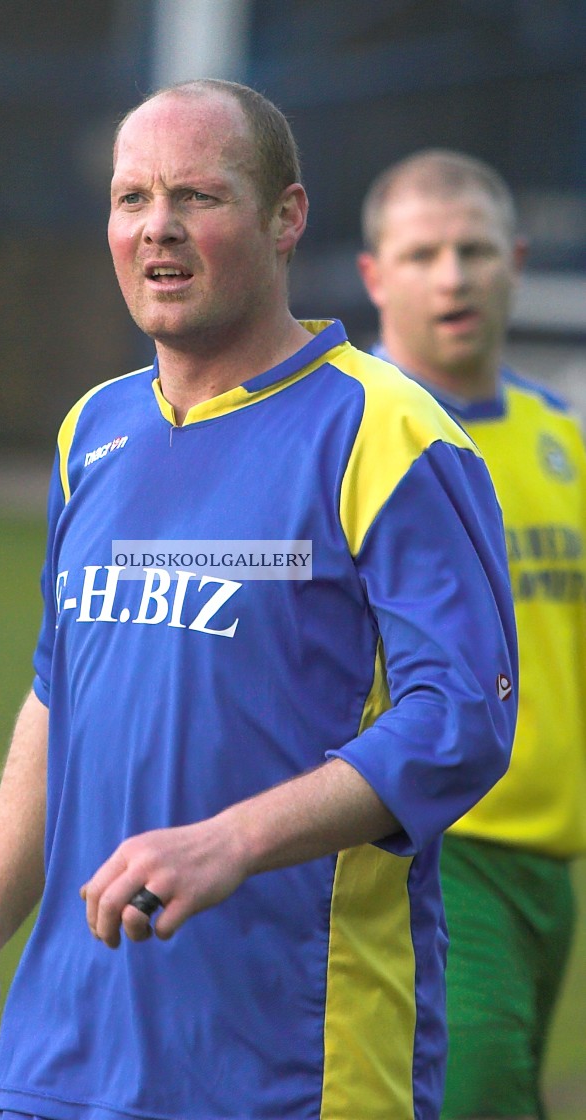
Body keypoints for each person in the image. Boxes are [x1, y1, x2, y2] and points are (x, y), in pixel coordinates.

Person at [0, 83, 518, 1120]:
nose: (157, 225)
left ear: (287, 217)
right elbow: (56, 700)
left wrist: (230, 839)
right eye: (132, 196)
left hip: (292, 1067)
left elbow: (461, 716)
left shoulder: (386, 431)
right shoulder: (91, 432)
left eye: (198, 195)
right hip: (63, 1058)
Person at [358, 148, 586, 1120]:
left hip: (551, 869)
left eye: (473, 250)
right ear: (374, 275)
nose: (451, 276)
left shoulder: (563, 438)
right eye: (420, 254)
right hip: (441, 851)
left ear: (517, 261)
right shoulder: (361, 435)